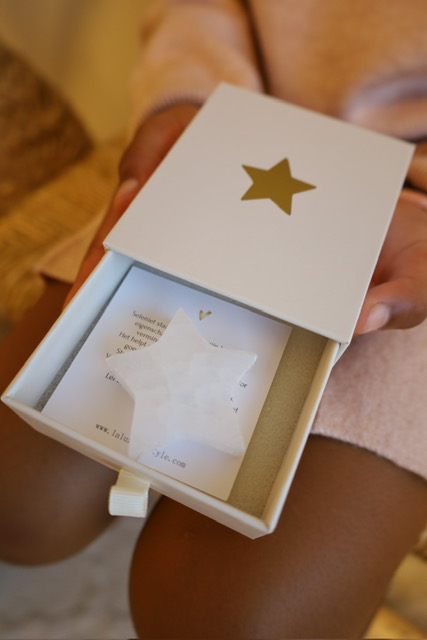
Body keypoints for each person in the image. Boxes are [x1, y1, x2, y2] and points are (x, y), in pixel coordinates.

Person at [1, 1, 427, 637]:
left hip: (408, 210)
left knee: (232, 618)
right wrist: (187, 101)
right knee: (20, 504)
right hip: (229, 154)